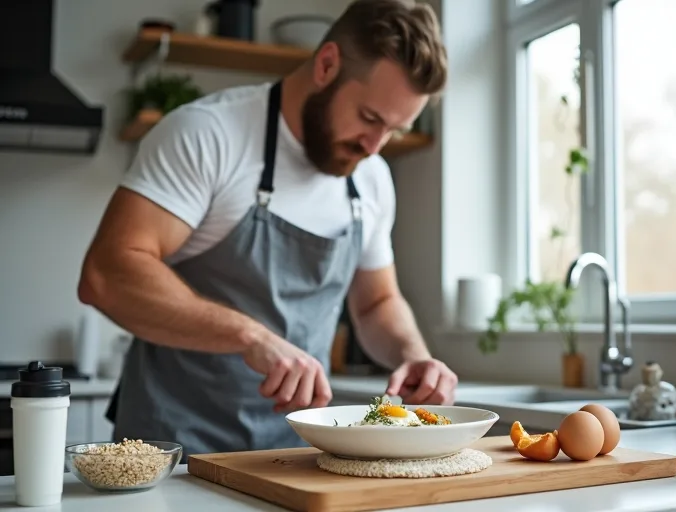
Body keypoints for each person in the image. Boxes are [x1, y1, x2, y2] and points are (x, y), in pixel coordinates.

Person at [77, 0, 457, 458]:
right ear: (327, 64)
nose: (375, 146)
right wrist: (251, 336)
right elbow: (107, 273)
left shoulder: (371, 178)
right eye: (370, 118)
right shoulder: (208, 135)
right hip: (173, 447)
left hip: (294, 452)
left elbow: (376, 303)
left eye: (395, 130)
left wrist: (413, 356)